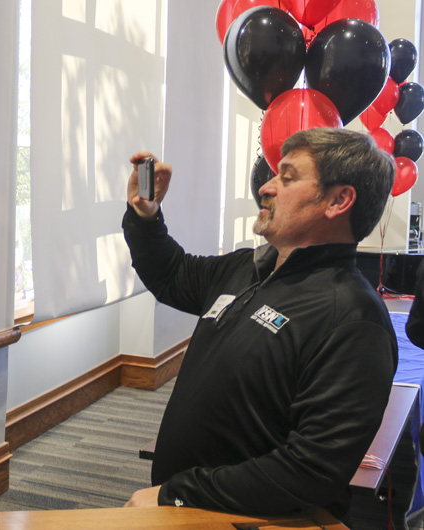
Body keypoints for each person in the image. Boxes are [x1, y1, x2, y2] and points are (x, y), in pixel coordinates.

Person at [121, 127, 397, 519]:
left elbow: (311, 470)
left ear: (338, 200)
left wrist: (180, 493)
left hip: (249, 519)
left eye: (287, 177)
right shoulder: (247, 267)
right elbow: (172, 275)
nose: (265, 188)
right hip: (190, 510)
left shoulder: (354, 320)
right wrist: (145, 216)